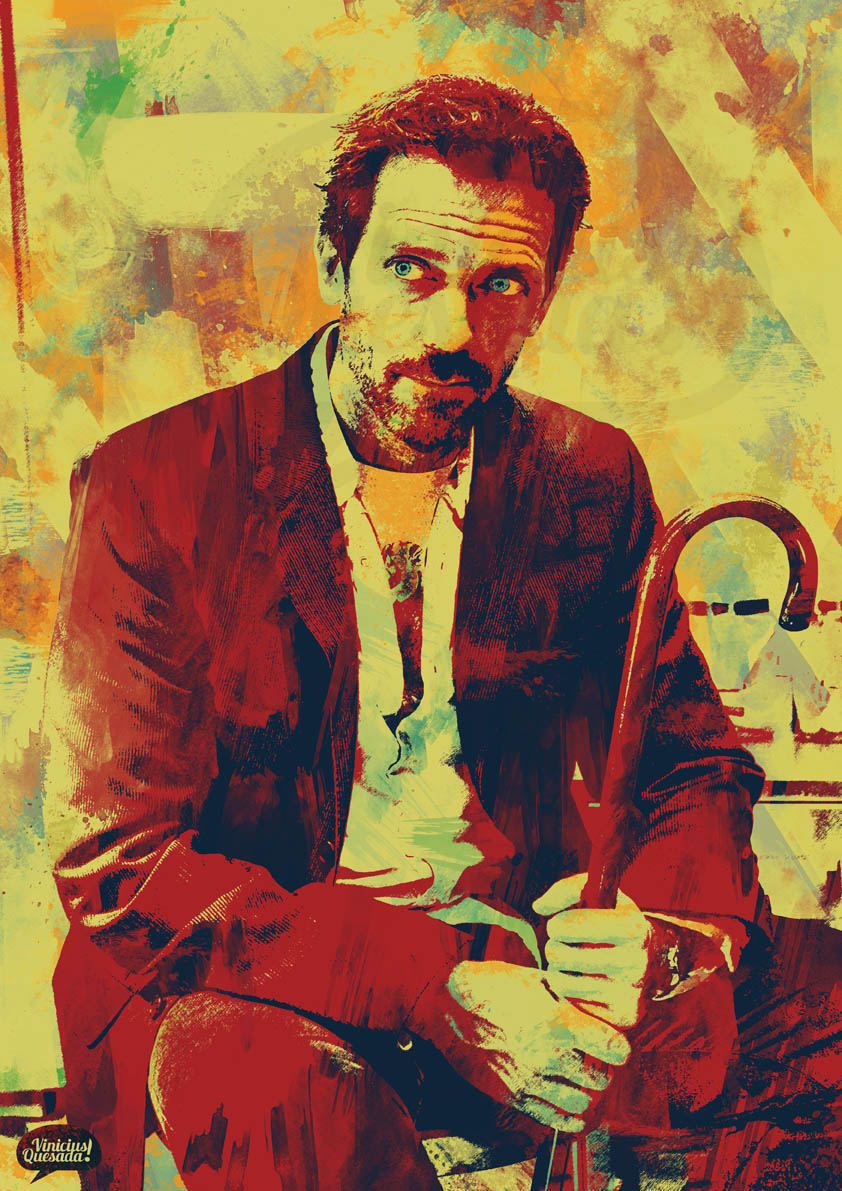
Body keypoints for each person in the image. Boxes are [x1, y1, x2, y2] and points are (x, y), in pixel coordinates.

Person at [43, 75, 769, 1191]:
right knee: (259, 1080)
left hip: (527, 973)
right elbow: (120, 860)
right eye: (411, 272)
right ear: (334, 267)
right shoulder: (160, 480)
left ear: (543, 298)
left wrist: (664, 933)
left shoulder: (586, 474)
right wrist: (432, 983)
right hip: (261, 988)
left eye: (500, 285)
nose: (451, 333)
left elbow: (691, 764)